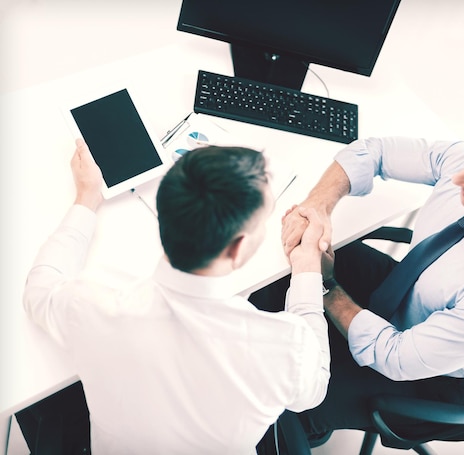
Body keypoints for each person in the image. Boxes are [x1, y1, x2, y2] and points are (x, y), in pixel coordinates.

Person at [252, 114, 464, 441]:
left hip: (419, 376)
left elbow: (395, 356)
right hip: (404, 292)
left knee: (283, 396)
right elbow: (372, 151)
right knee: (277, 271)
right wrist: (317, 206)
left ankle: (288, 425)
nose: (457, 177)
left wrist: (324, 285)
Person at [19, 139, 330, 454]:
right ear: (237, 247)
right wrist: (306, 265)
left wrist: (86, 199)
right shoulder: (285, 347)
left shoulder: (91, 309)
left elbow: (39, 287)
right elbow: (314, 390)